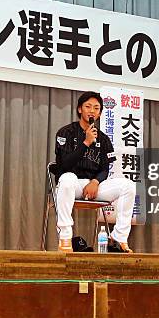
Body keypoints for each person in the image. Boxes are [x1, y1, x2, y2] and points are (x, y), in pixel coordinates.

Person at [54, 91, 136, 253]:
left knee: (128, 186)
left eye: (96, 108)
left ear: (99, 113)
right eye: (88, 106)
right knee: (67, 179)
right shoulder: (66, 132)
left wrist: (96, 182)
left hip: (95, 186)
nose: (92, 111)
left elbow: (105, 168)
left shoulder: (104, 139)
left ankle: (119, 237)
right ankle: (65, 236)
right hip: (73, 184)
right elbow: (63, 165)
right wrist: (85, 142)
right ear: (80, 109)